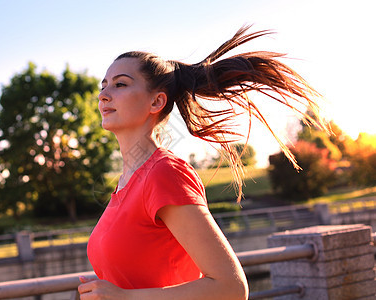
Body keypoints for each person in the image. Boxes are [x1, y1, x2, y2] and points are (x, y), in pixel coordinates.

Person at [77, 26, 328, 300]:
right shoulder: (128, 178)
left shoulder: (164, 173)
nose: (103, 94)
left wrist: (125, 297)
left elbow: (231, 288)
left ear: (157, 101)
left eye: (120, 84)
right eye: (103, 86)